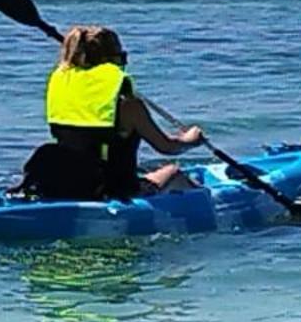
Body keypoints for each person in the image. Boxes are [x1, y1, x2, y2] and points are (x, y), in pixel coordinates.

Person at [17, 25, 205, 200]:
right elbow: (167, 147)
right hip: (114, 190)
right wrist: (192, 139)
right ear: (112, 60)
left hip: (69, 186)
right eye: (122, 57)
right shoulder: (129, 105)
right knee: (173, 172)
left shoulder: (62, 91)